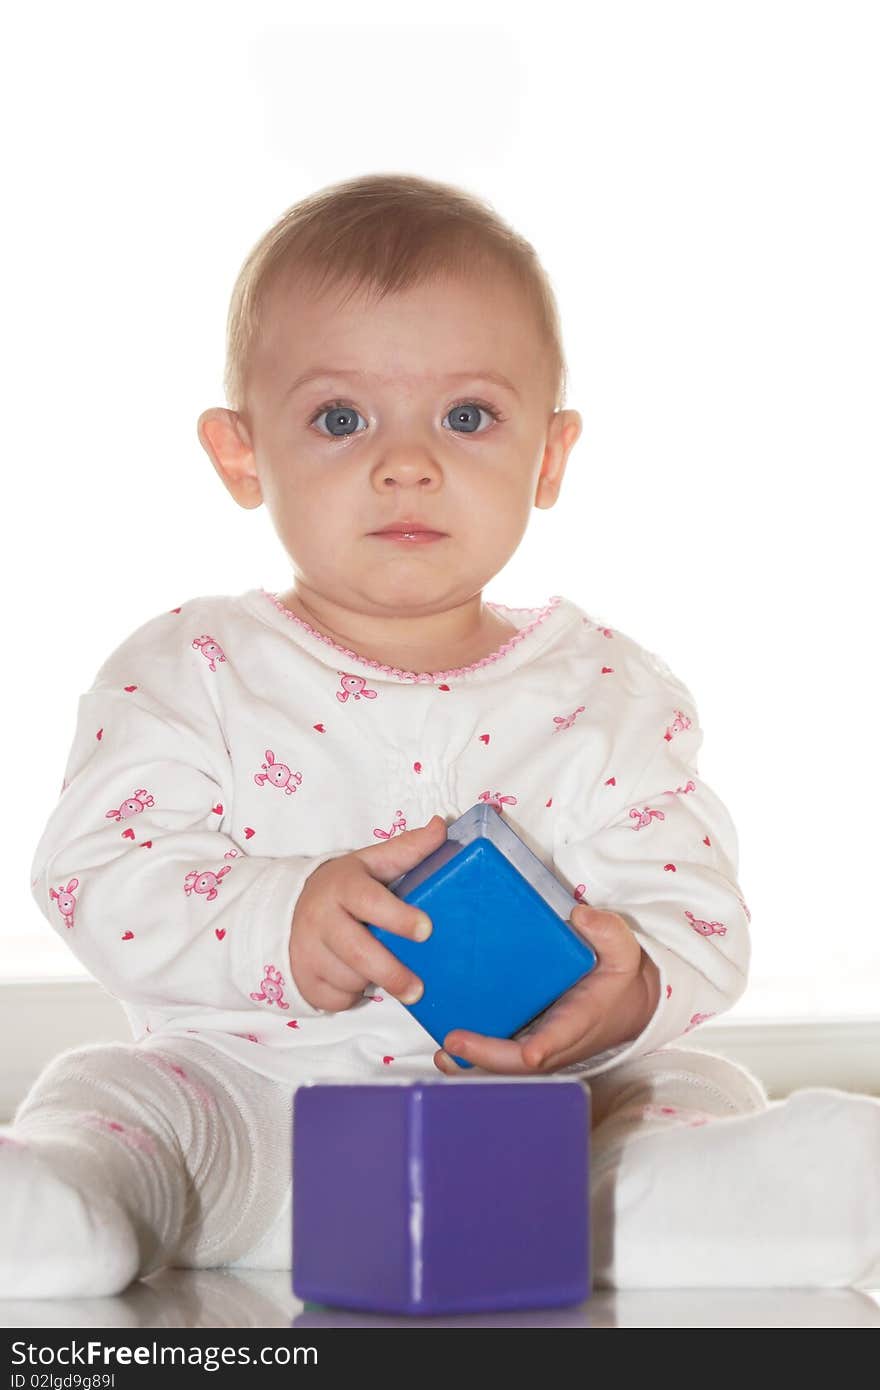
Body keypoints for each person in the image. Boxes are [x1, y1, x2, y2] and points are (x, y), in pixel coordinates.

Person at [5, 174, 877, 1301]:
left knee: (689, 1082)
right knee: (118, 1100)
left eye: (467, 418)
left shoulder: (607, 688)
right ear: (241, 454)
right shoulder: (190, 667)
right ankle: (66, 1203)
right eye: (339, 418)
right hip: (249, 1114)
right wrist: (284, 913)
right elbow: (95, 873)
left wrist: (626, 988)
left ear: (549, 456)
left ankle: (704, 1203)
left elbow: (697, 909)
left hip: (530, 1132)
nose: (405, 462)